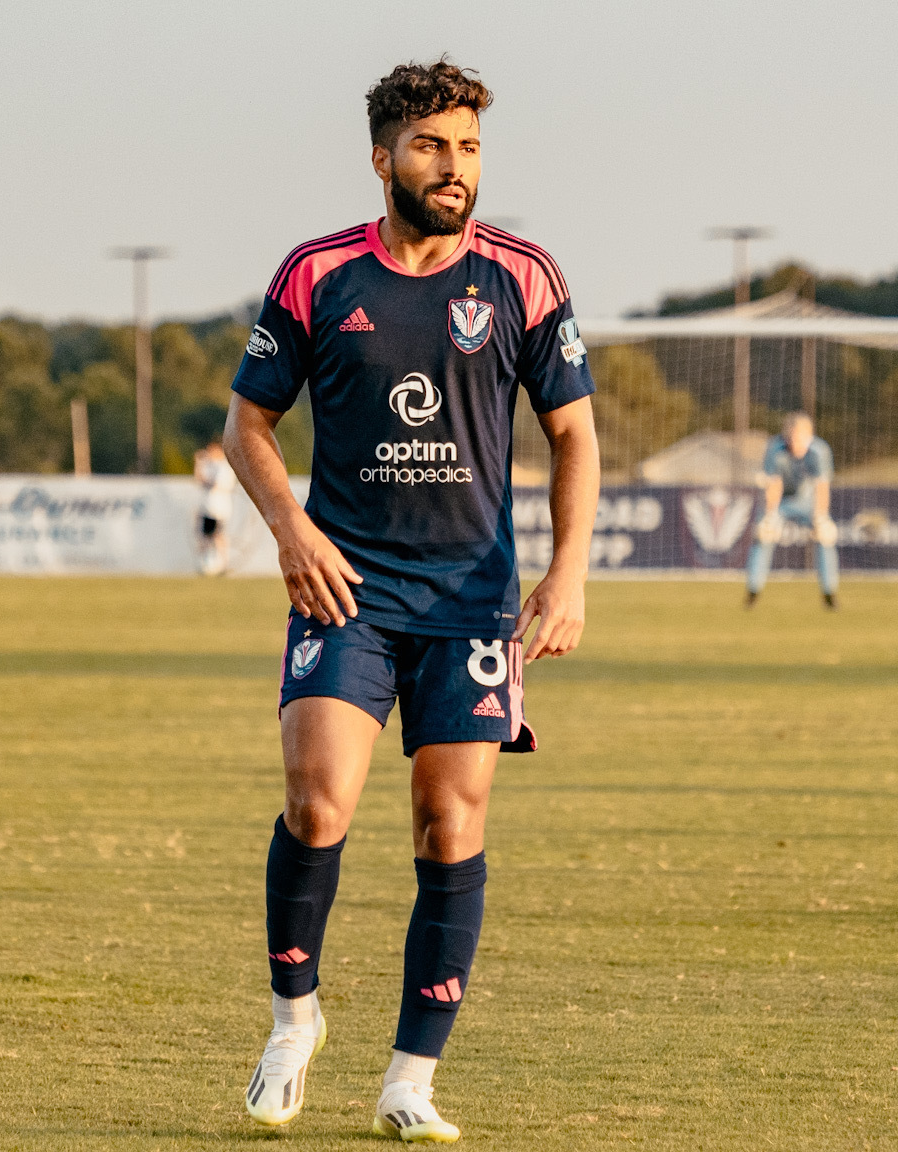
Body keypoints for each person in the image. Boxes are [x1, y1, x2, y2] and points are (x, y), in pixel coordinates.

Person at [226, 59, 599, 1144]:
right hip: (345, 592)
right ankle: (294, 1021)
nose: (454, 168)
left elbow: (572, 432)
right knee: (317, 803)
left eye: (469, 147)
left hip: (471, 603)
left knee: (449, 824)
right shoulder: (316, 274)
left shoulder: (522, 276)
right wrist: (292, 531)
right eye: (433, 147)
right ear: (382, 156)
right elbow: (245, 425)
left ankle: (408, 1080)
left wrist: (567, 572)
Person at [745, 411, 838, 609]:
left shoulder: (819, 451)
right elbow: (774, 485)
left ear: (810, 436)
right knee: (763, 536)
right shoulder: (775, 448)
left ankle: (829, 594)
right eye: (792, 438)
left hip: (808, 502)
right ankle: (753, 593)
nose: (796, 444)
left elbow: (822, 487)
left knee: (826, 538)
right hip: (781, 503)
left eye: (801, 438)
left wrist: (821, 517)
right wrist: (770, 515)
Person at [193, 438, 237, 575]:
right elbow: (199, 479)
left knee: (217, 536)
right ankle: (206, 563)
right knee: (205, 537)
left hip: (218, 508)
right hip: (207, 507)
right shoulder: (209, 466)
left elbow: (213, 483)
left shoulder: (224, 467)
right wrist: (198, 464)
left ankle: (222, 564)